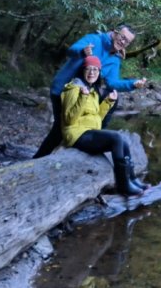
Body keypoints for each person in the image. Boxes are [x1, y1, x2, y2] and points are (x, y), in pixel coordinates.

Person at [34, 24, 148, 159]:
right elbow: (71, 50)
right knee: (59, 129)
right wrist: (83, 51)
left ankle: (96, 133)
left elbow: (112, 82)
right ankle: (37, 160)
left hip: (85, 95)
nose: (123, 42)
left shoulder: (115, 58)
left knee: (112, 98)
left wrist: (133, 84)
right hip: (64, 90)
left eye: (127, 41)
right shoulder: (94, 40)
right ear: (114, 32)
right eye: (122, 37)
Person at [61, 55, 146, 195]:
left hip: (89, 131)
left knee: (123, 142)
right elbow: (69, 119)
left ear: (99, 72)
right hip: (76, 134)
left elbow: (97, 119)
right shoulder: (74, 88)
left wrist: (107, 102)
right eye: (88, 69)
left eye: (95, 70)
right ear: (83, 71)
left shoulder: (92, 91)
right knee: (116, 137)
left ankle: (132, 178)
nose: (92, 73)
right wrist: (83, 97)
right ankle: (123, 185)